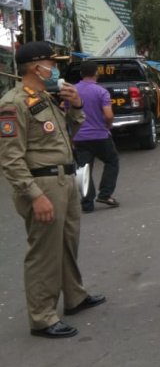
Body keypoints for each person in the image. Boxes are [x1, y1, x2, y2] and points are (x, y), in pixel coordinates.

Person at [0, 42, 106, 339]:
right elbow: (10, 158)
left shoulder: (44, 98)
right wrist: (35, 195)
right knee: (44, 252)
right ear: (36, 67)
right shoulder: (13, 103)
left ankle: (74, 296)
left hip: (66, 179)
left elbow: (69, 135)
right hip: (42, 184)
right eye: (51, 62)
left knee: (67, 243)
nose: (55, 68)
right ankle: (42, 316)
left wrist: (77, 106)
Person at [73, 60, 121, 212]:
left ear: (81, 74)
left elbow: (66, 113)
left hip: (79, 137)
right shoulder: (101, 92)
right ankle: (105, 194)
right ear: (96, 73)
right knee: (112, 161)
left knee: (84, 169)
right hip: (100, 135)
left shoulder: (72, 91)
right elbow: (108, 115)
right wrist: (108, 125)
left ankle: (87, 204)